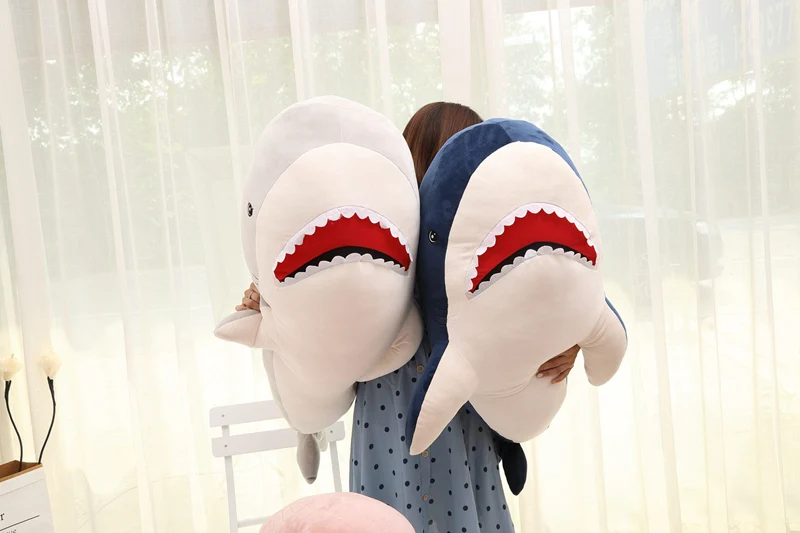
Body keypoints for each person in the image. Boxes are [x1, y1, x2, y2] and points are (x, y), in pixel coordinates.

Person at [237, 102, 580, 532]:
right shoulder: (387, 249)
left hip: (428, 425)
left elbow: (543, 301)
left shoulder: (470, 254)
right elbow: (321, 310)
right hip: (399, 428)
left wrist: (571, 342)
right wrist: (268, 300)